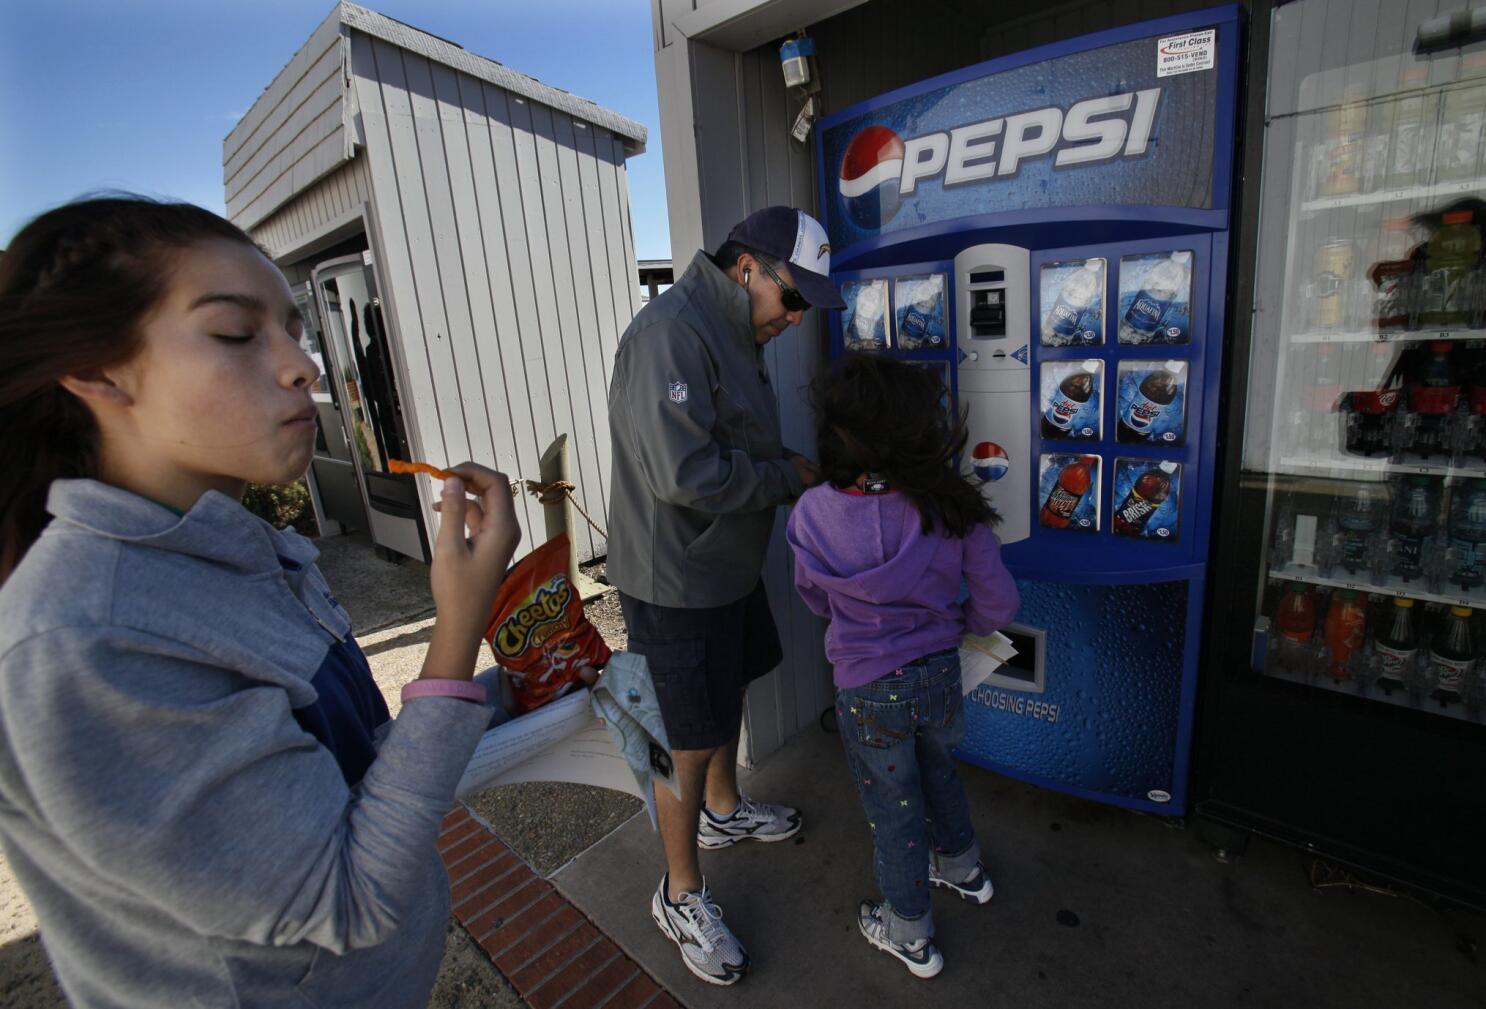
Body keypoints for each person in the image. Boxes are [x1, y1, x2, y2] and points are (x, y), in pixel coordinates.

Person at [0, 196, 521, 1009]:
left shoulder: (241, 549)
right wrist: (458, 626)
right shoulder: (83, 637)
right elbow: (346, 894)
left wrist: (507, 685)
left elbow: (351, 761)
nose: (303, 366)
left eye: (293, 329)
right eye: (237, 334)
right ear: (100, 369)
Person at [606, 205, 844, 985]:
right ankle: (679, 892)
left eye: (808, 304)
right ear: (748, 269)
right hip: (676, 578)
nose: (798, 316)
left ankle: (724, 809)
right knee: (681, 734)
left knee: (726, 691)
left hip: (727, 569)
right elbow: (687, 474)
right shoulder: (669, 333)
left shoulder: (738, 326)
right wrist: (784, 477)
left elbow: (736, 437)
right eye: (794, 298)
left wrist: (788, 466)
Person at [785, 353, 1019, 979]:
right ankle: (964, 870)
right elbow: (998, 604)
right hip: (940, 671)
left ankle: (910, 933)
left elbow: (814, 598)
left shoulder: (811, 513)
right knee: (941, 772)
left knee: (893, 808)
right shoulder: (952, 507)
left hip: (866, 685)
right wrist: (960, 627)